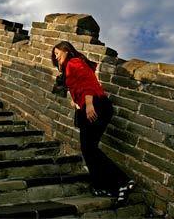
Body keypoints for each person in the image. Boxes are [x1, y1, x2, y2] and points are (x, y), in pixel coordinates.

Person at [51, 41, 135, 203]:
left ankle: (122, 181)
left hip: (95, 105)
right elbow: (79, 88)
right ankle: (106, 186)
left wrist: (89, 104)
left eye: (57, 53)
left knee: (89, 148)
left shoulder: (73, 63)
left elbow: (87, 81)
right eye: (54, 55)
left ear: (67, 51)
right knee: (89, 149)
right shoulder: (70, 67)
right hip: (94, 106)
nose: (56, 56)